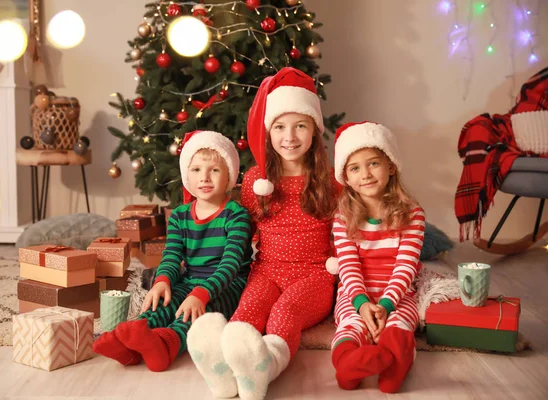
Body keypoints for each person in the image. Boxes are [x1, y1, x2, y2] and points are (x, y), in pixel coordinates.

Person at [187, 67, 337, 400]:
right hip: (267, 271)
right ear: (269, 132)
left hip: (314, 277)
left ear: (314, 130)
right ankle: (222, 365)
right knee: (249, 310)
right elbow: (243, 234)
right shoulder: (257, 181)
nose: (290, 136)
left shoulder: (327, 180)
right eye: (280, 127)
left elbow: (344, 232)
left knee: (286, 312)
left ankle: (266, 366)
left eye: (301, 126)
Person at [92, 130, 252, 372]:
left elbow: (230, 265)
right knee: (166, 300)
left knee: (194, 313)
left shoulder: (236, 215)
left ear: (229, 175)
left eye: (214, 170)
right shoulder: (179, 216)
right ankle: (133, 342)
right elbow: (172, 256)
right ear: (187, 175)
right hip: (191, 278)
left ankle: (166, 346)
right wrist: (162, 281)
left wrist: (201, 293)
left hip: (226, 285)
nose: (205, 178)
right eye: (196, 170)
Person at [329, 121, 425, 393]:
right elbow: (348, 266)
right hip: (354, 294)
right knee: (350, 327)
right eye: (355, 168)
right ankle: (348, 365)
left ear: (391, 166)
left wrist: (386, 305)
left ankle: (395, 367)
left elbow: (405, 266)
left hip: (398, 294)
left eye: (373, 163)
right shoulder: (343, 217)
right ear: (345, 178)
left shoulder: (412, 214)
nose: (366, 174)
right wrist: (361, 304)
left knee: (400, 326)